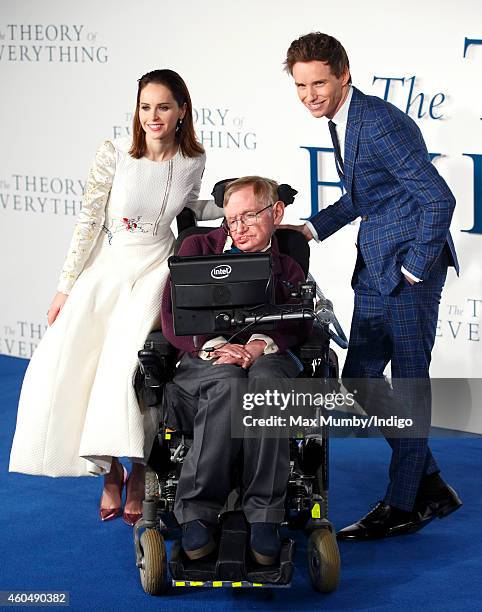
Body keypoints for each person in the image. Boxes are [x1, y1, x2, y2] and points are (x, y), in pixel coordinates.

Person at [9, 69, 221, 526]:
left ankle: (141, 467)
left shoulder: (194, 159)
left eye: (163, 107)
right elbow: (88, 223)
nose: (153, 117)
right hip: (111, 267)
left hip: (157, 269)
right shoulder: (114, 155)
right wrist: (66, 287)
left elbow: (188, 208)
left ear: (182, 110)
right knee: (78, 358)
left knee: (131, 362)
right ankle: (111, 467)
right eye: (145, 107)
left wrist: (236, 202)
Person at [283, 32, 462, 540]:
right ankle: (428, 482)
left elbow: (438, 198)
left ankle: (404, 504)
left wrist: (415, 269)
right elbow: (367, 196)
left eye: (319, 82)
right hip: (377, 268)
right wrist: (310, 228)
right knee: (360, 379)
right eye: (300, 85)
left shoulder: (379, 123)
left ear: (343, 75)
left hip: (406, 274)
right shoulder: (344, 119)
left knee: (408, 385)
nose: (310, 95)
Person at [161, 176, 310, 564]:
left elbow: (299, 324)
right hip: (206, 358)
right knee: (228, 381)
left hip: (267, 358)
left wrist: (259, 346)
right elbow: (171, 315)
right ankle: (196, 510)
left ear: (275, 213)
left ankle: (264, 515)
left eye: (248, 216)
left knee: (263, 384)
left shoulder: (289, 266)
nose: (238, 228)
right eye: (231, 219)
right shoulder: (197, 248)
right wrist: (218, 346)